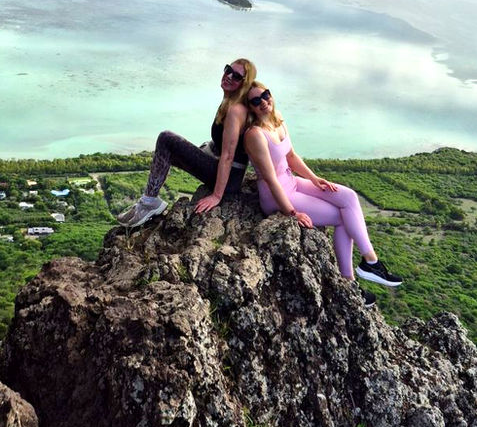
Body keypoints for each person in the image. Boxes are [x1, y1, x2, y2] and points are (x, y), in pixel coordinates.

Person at [244, 81, 402, 307]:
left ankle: (371, 261)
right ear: (250, 107)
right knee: (341, 218)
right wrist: (292, 212)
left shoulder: (277, 119)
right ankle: (349, 282)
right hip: (276, 195)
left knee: (348, 197)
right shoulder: (255, 135)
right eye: (256, 101)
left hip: (292, 181)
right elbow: (270, 179)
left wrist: (314, 179)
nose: (263, 102)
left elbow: (291, 157)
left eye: (266, 95)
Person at [118, 59, 257, 228]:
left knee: (166, 139)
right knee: (175, 150)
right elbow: (223, 144)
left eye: (236, 76)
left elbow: (228, 156)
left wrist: (217, 196)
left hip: (230, 180)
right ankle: (148, 200)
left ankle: (149, 203)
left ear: (244, 83)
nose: (228, 76)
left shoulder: (235, 110)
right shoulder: (230, 102)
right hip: (229, 173)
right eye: (228, 70)